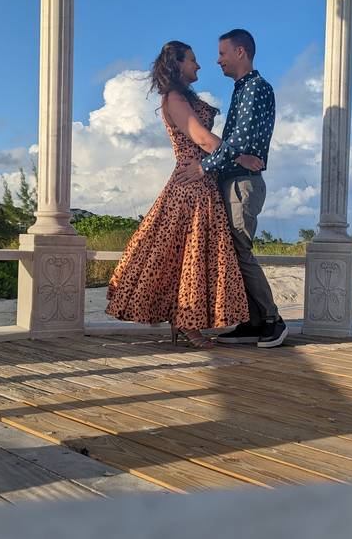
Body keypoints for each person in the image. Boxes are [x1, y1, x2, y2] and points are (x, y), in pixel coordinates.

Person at [105, 40, 264, 349]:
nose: (199, 65)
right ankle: (188, 327)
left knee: (191, 257)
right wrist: (240, 157)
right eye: (192, 60)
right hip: (190, 187)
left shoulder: (184, 96)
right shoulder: (174, 97)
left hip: (202, 183)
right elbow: (202, 139)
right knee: (187, 256)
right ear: (176, 64)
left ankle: (187, 324)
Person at [174, 28, 287, 348]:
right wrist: (237, 156)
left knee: (240, 250)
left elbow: (239, 139)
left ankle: (272, 321)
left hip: (243, 184)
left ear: (240, 52)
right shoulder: (242, 89)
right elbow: (239, 145)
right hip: (234, 179)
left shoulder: (256, 88)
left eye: (223, 53)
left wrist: (203, 167)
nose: (217, 60)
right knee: (233, 252)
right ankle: (251, 322)